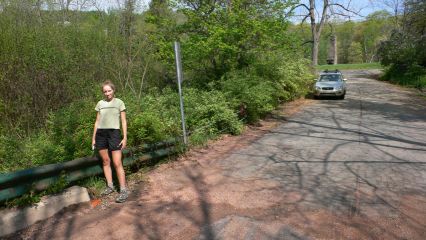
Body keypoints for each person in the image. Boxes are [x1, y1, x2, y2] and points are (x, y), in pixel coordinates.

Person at [92, 81, 128, 203]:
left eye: (109, 90)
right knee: (106, 161)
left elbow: (123, 121)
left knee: (117, 162)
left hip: (114, 134)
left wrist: (125, 137)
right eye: (105, 91)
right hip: (101, 134)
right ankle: (110, 186)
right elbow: (97, 121)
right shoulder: (100, 103)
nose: (107, 93)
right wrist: (93, 138)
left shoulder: (119, 102)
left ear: (113, 90)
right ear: (103, 93)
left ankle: (123, 190)